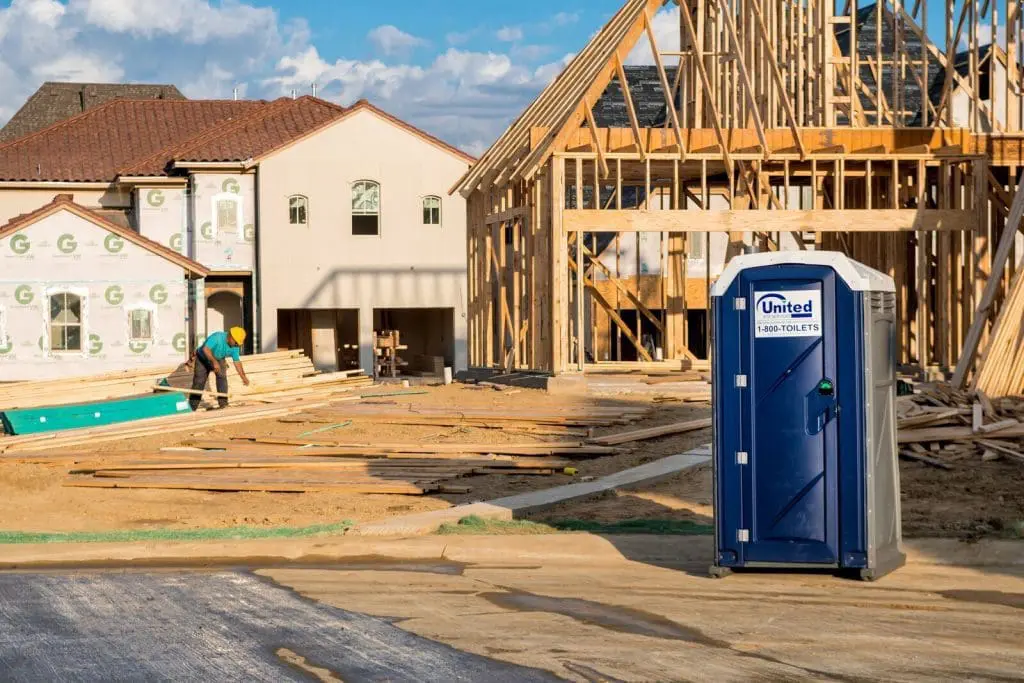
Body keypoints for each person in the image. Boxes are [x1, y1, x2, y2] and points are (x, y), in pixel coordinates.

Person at [189, 327, 250, 410]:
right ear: (230, 337)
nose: (237, 345)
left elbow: (237, 362)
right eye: (236, 342)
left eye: (238, 344)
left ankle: (223, 404)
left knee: (222, 378)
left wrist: (243, 377)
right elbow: (205, 349)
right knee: (199, 382)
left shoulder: (235, 346)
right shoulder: (217, 337)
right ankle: (192, 407)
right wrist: (214, 362)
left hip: (218, 358)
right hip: (202, 358)